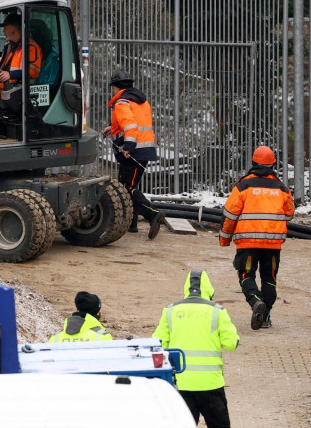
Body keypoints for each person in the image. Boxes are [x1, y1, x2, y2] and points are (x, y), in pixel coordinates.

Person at [219, 145, 294, 330]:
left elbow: (230, 214)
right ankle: (265, 315)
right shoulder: (281, 187)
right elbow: (290, 213)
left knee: (246, 275)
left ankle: (255, 302)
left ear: (253, 162)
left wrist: (225, 239)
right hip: (273, 244)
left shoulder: (243, 185)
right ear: (272, 164)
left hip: (247, 242)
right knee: (269, 278)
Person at [153, 270, 239, 428]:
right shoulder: (218, 311)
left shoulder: (170, 311)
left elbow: (158, 343)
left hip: (182, 384)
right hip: (211, 385)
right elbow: (231, 343)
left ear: (186, 289)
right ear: (209, 289)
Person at [102, 69, 165, 238]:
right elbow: (136, 120)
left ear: (116, 87)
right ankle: (132, 223)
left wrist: (128, 147)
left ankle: (153, 214)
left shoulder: (122, 103)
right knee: (128, 185)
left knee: (127, 188)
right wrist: (112, 127)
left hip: (133, 151)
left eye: (113, 88)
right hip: (144, 149)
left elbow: (131, 126)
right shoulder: (140, 101)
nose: (112, 91)